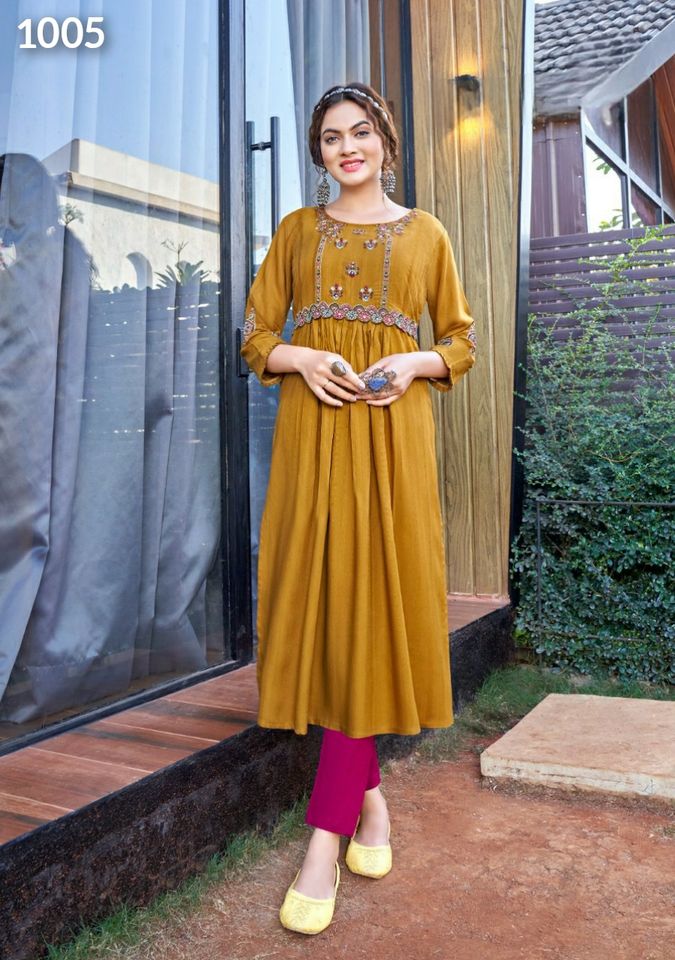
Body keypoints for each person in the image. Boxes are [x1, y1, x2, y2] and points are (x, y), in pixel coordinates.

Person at [240, 81, 476, 935]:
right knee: (329, 609)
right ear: (319, 152)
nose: (348, 147)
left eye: (361, 131)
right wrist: (300, 357)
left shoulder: (427, 234)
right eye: (332, 136)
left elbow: (458, 340)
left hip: (391, 442)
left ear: (385, 141)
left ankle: (322, 840)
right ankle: (367, 804)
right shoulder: (296, 232)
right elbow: (255, 334)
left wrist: (413, 364)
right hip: (312, 440)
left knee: (372, 607)